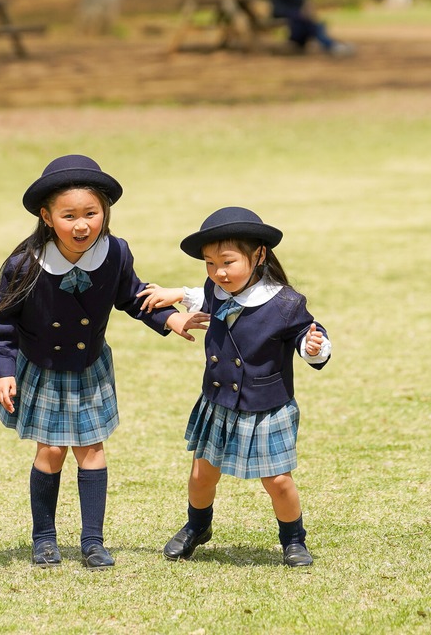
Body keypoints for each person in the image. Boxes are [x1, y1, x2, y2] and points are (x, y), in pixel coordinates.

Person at [0, 154, 208, 569]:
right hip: (41, 368)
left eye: (91, 213)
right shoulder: (24, 264)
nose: (81, 224)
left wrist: (171, 317)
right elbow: (2, 324)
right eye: (68, 215)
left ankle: (93, 541)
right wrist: (3, 372)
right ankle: (45, 539)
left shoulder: (115, 253)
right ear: (47, 216)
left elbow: (133, 297)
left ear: (105, 214)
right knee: (50, 452)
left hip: (89, 367)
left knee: (92, 450)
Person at [138, 207, 331, 567]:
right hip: (219, 400)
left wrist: (313, 347)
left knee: (277, 483)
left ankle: (293, 539)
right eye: (210, 263)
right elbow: (205, 295)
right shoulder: (218, 287)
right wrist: (175, 293)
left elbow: (308, 333)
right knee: (201, 474)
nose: (218, 272)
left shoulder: (286, 303)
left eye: (227, 261)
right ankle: (198, 526)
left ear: (258, 255)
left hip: (266, 406)